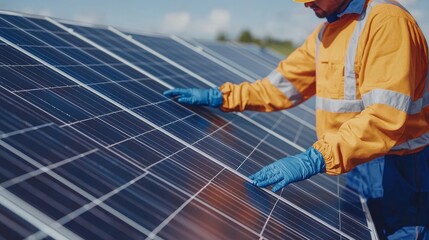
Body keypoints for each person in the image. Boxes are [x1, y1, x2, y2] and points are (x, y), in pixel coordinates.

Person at [164, 0, 429, 238]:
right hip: (357, 159)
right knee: (367, 229)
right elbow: (279, 88)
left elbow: (383, 119)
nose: (306, 5)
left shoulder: (386, 23)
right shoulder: (326, 34)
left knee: (403, 234)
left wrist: (316, 158)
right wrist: (222, 97)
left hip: (402, 165)